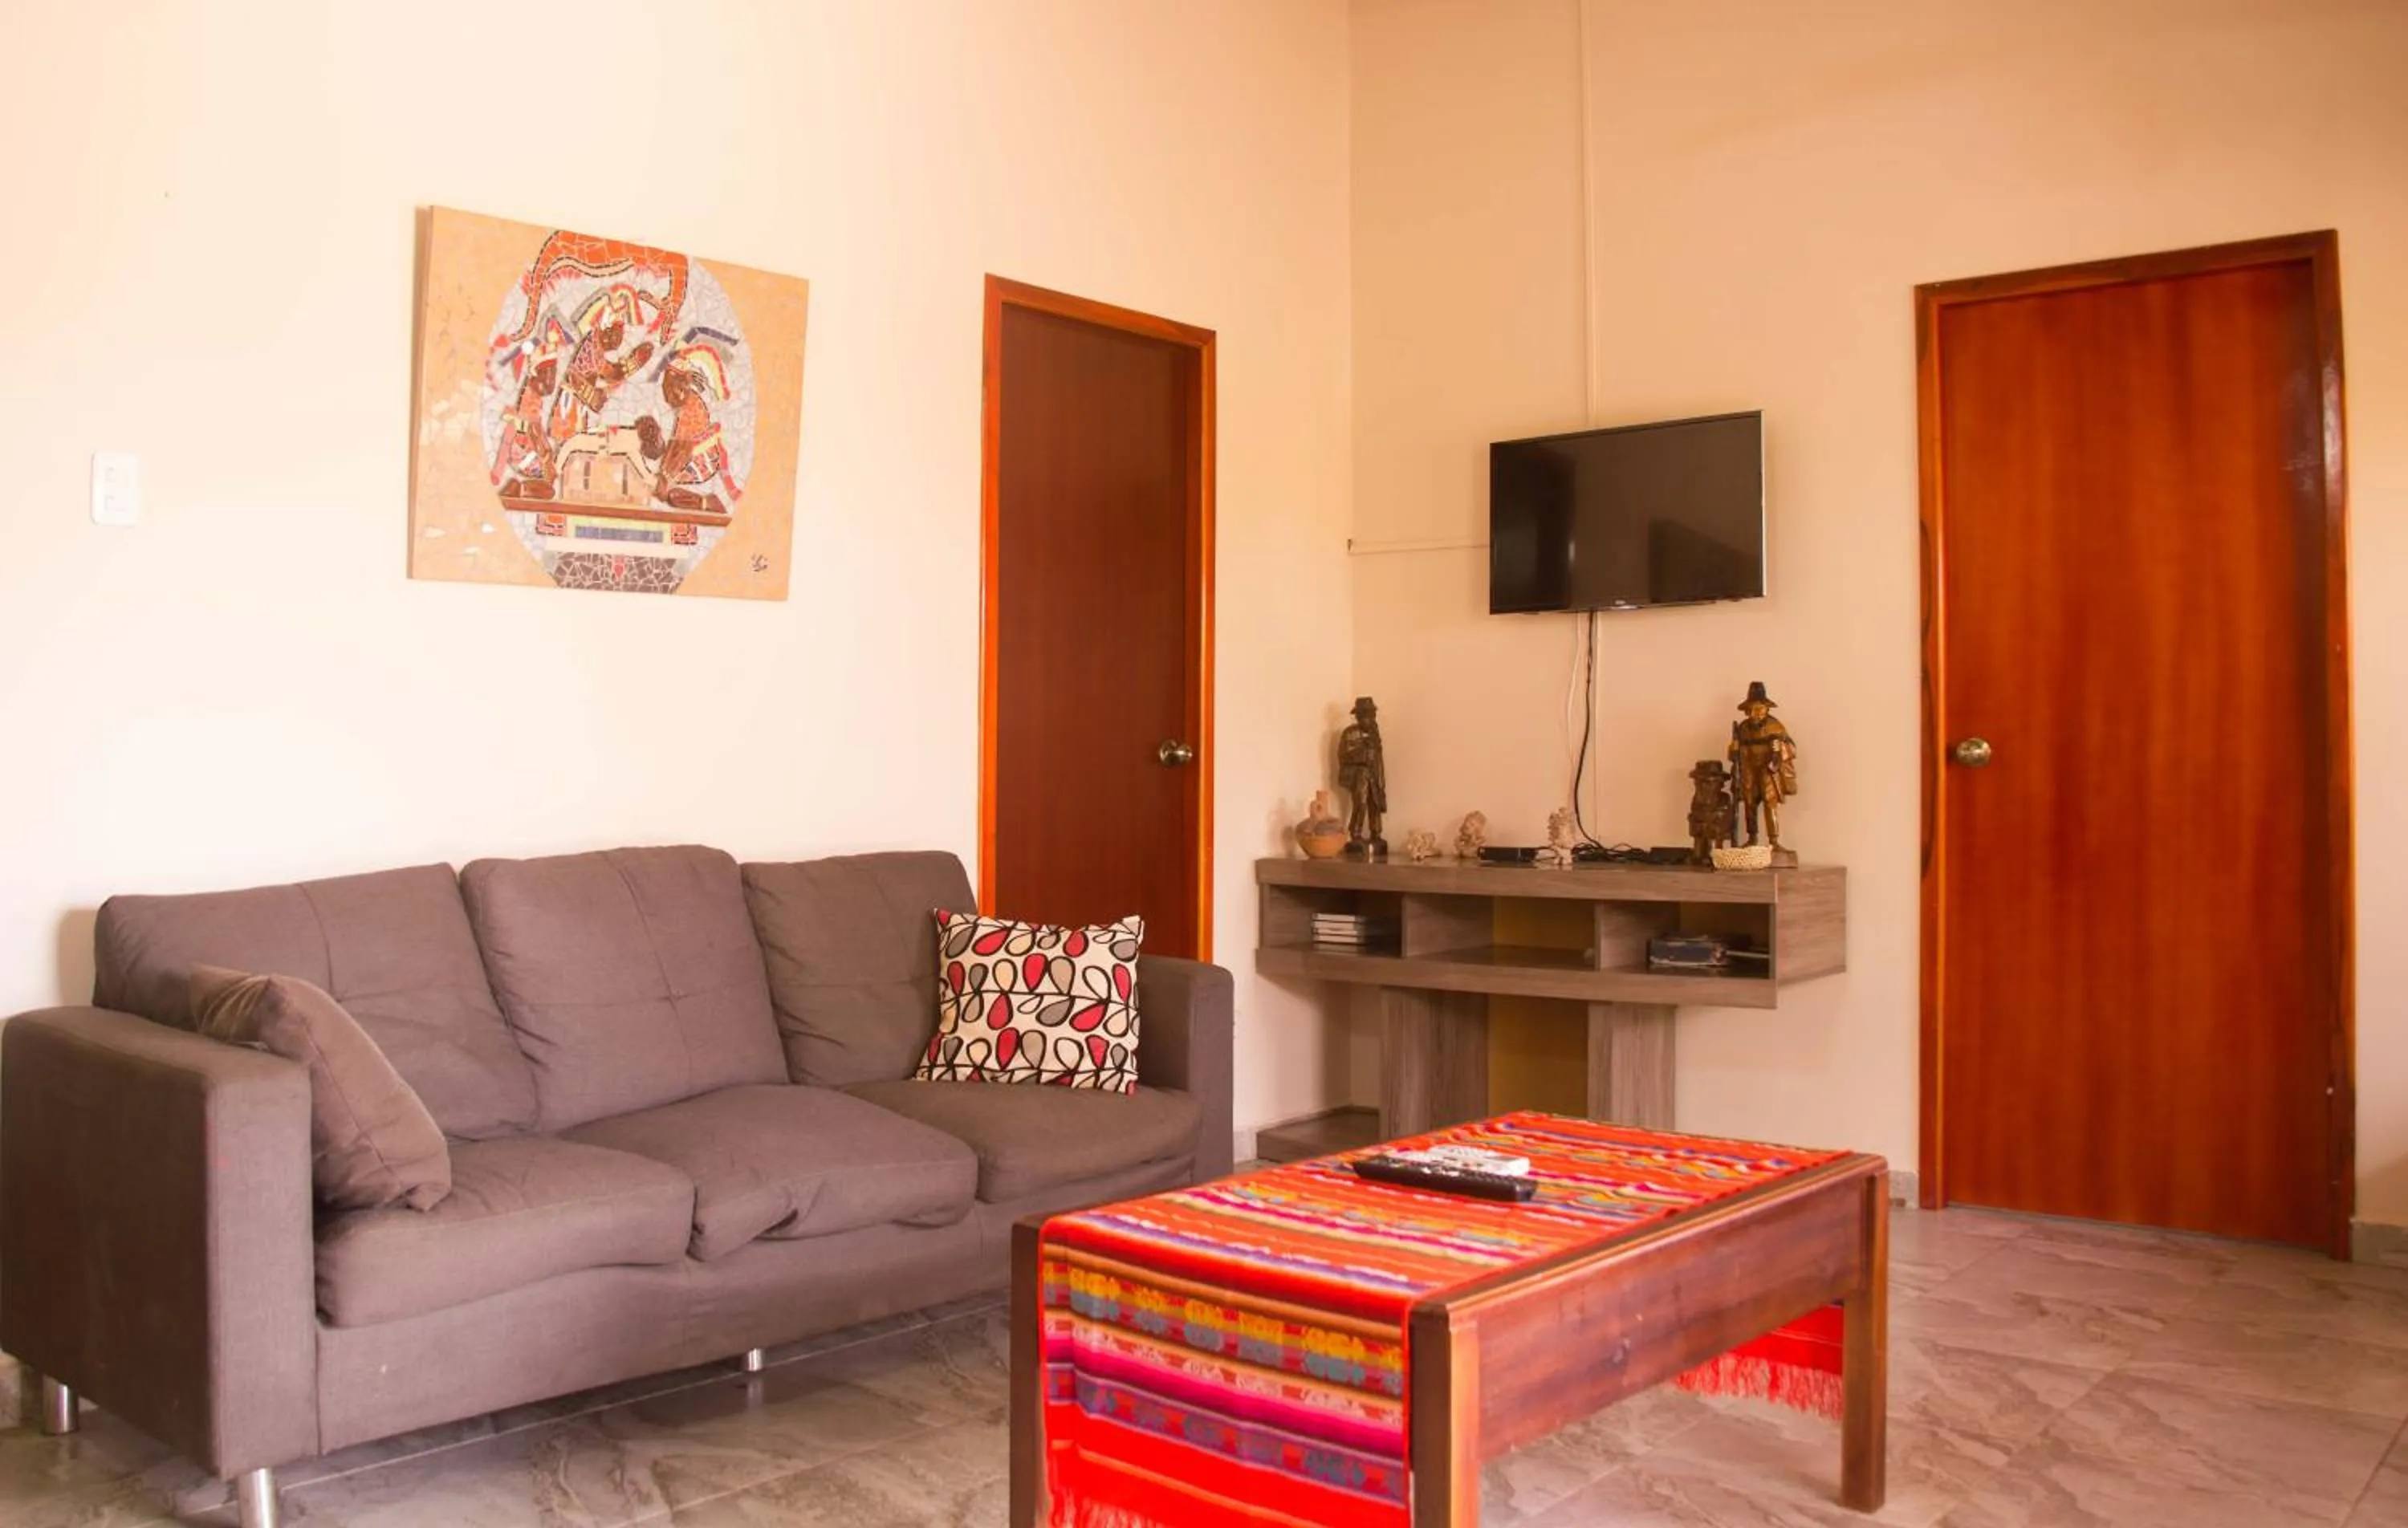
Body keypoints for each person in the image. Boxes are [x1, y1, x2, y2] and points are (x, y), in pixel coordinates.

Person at [1727, 681, 1799, 848]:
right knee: (1749, 801)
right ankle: (1752, 838)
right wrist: (1734, 748)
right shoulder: (1743, 728)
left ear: (1767, 709)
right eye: (1752, 709)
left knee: (1769, 801)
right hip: (1749, 767)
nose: (1756, 714)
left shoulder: (1775, 726)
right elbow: (1733, 755)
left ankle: (1774, 840)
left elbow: (1792, 749)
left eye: (1760, 709)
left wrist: (1780, 748)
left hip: (1768, 768)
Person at [1336, 697, 1388, 858]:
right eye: (1366, 715)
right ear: (1358, 716)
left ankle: (1376, 832)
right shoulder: (1350, 733)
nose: (1369, 719)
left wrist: (1381, 778)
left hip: (1374, 773)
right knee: (1361, 802)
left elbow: (1379, 758)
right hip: (1359, 774)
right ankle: (1356, 832)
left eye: (1372, 715)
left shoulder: (1375, 734)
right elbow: (1344, 756)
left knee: (1375, 802)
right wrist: (1363, 755)